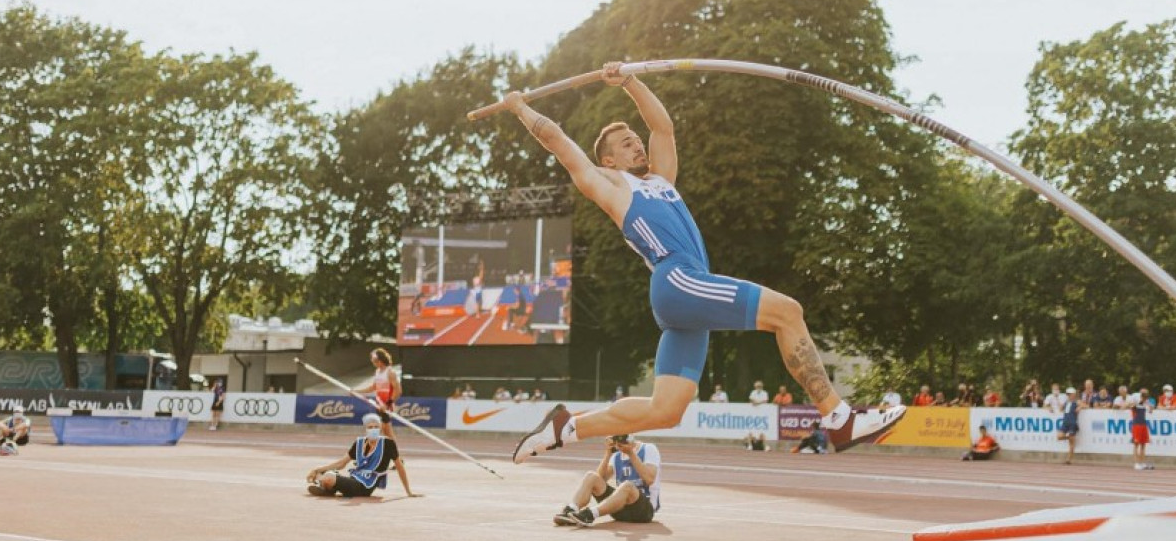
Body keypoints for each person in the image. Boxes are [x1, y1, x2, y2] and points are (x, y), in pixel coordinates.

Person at [506, 66, 906, 463]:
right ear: (609, 161)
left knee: (666, 411)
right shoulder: (608, 186)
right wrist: (520, 107)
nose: (638, 146)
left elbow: (662, 128)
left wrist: (629, 82)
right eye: (627, 144)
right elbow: (557, 140)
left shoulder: (662, 182)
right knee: (788, 312)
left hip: (684, 293)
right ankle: (839, 418)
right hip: (678, 278)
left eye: (635, 140)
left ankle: (566, 427)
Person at [554, 434, 661, 527]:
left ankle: (590, 514)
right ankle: (571, 510)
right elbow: (598, 480)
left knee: (627, 485)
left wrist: (631, 454)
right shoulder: (617, 456)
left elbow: (649, 479)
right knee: (591, 476)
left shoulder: (648, 449)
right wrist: (608, 453)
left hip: (643, 511)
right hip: (620, 509)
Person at [305, 413, 419, 499]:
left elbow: (400, 467)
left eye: (376, 427)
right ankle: (328, 488)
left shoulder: (388, 444)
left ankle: (327, 486)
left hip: (365, 487)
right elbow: (341, 463)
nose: (373, 430)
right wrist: (316, 469)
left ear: (379, 428)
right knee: (323, 473)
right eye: (370, 427)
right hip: (353, 480)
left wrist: (408, 491)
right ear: (365, 429)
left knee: (329, 476)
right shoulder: (359, 442)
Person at [354, 348, 402, 441]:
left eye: (375, 361)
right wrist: (357, 391)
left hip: (387, 405)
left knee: (387, 430)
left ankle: (394, 453)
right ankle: (390, 451)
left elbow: (398, 390)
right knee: (385, 431)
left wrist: (387, 404)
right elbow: (373, 387)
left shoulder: (390, 372)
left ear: (381, 361)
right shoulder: (377, 372)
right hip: (379, 404)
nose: (374, 364)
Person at [1055, 387, 1079, 465]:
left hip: (1072, 423)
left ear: (1074, 394)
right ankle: (1069, 436)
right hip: (1065, 422)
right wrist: (1058, 399)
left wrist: (1080, 407)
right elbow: (1061, 408)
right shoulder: (1066, 402)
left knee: (1071, 443)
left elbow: (1084, 405)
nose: (1069, 396)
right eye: (1068, 394)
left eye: (1070, 394)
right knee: (1059, 436)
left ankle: (1069, 459)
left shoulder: (1076, 402)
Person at [1130, 393, 1153, 470]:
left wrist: (1149, 405)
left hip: (1143, 425)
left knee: (1143, 445)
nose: (1146, 400)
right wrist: (1137, 402)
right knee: (1136, 445)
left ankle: (1142, 463)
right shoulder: (1135, 404)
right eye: (1144, 398)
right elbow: (1131, 405)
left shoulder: (1145, 404)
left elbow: (1151, 411)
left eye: (1146, 398)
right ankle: (1136, 463)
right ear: (1141, 397)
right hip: (1137, 425)